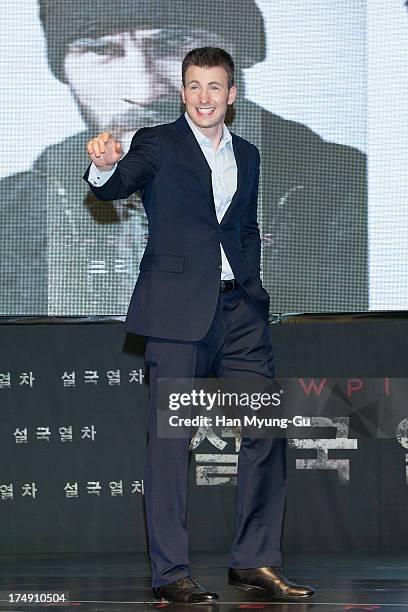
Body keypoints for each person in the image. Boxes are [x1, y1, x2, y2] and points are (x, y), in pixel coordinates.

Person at [84, 46, 315, 605]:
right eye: (194, 86)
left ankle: (255, 562)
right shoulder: (156, 143)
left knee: (266, 430)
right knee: (170, 442)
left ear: (232, 96)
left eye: (215, 87)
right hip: (177, 316)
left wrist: (255, 291)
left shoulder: (251, 155)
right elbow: (114, 185)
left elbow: (245, 228)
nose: (204, 97)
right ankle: (170, 573)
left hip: (240, 315)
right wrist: (105, 165)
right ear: (183, 92)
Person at [0, 0, 367, 317]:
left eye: (174, 44)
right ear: (62, 69)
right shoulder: (12, 213)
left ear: (242, 54)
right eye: (98, 49)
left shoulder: (360, 196)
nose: (142, 90)